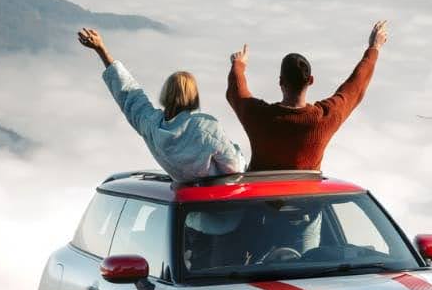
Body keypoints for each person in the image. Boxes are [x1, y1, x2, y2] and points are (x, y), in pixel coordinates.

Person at [77, 28, 245, 183]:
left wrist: (101, 49)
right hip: (221, 206)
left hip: (185, 202)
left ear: (166, 93)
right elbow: (236, 167)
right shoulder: (205, 127)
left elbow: (129, 95)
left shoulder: (151, 126)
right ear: (194, 95)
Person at [225, 21, 388, 172]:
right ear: (311, 80)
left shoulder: (259, 116)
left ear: (281, 81)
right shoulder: (325, 118)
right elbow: (355, 87)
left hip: (260, 201)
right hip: (308, 201)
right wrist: (374, 47)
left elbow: (236, 92)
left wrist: (238, 65)